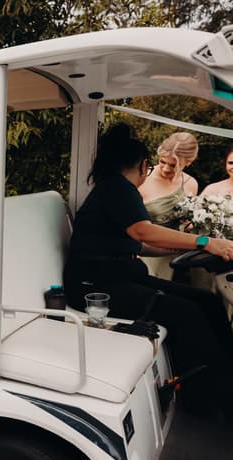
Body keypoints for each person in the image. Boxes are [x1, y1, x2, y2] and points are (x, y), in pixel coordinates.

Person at [63, 123, 233, 418]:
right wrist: (206, 241)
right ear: (143, 166)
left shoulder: (111, 188)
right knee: (188, 313)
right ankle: (211, 399)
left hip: (119, 276)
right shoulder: (119, 188)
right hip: (96, 288)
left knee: (207, 301)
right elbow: (144, 232)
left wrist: (188, 249)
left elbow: (136, 245)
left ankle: (222, 381)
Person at [137, 132, 199, 280]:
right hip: (146, 253)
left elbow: (189, 222)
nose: (165, 169)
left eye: (173, 165)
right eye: (162, 161)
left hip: (180, 254)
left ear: (189, 162)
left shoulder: (191, 183)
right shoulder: (142, 178)